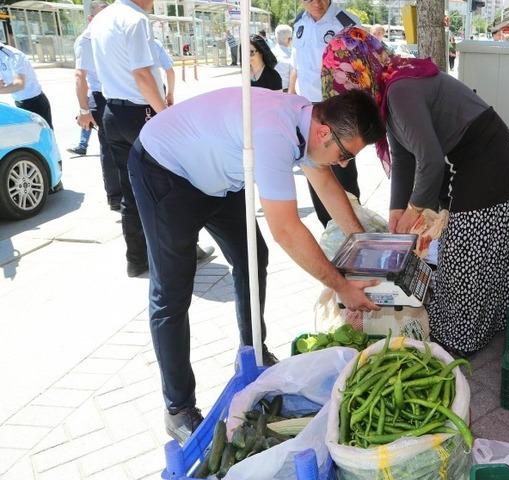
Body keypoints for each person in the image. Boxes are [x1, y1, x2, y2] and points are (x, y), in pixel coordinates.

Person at [128, 87, 384, 443]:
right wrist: (343, 287)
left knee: (252, 256)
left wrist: (365, 245)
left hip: (217, 177)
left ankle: (252, 350)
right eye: (344, 154)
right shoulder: (273, 133)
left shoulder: (305, 118)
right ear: (324, 132)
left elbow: (325, 184)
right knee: (172, 291)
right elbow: (287, 230)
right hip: (165, 168)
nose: (343, 164)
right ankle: (178, 408)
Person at [322, 28, 509, 356]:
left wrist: (415, 209)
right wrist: (397, 209)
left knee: (468, 245)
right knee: (475, 244)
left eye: (350, 91)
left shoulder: (400, 91)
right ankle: (479, 322)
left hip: (484, 153)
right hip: (472, 155)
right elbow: (403, 157)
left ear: (362, 72)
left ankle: (461, 337)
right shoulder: (388, 92)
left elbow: (429, 160)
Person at [89, 0, 166, 277]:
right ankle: (173, 253)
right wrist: (165, 114)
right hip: (140, 112)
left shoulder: (102, 18)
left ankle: (136, 258)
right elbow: (143, 75)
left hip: (113, 111)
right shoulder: (136, 19)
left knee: (130, 189)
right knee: (162, 188)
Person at [290, 0, 361, 227]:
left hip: (337, 108)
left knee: (343, 175)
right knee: (314, 170)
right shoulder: (299, 23)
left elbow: (361, 70)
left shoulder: (346, 23)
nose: (316, 3)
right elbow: (297, 66)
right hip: (308, 110)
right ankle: (327, 229)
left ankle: (351, 229)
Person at [71, 0, 122, 211]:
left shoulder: (112, 36)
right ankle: (115, 196)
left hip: (118, 95)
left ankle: (126, 193)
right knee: (109, 148)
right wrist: (84, 110)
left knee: (122, 147)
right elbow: (79, 77)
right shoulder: (85, 41)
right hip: (100, 98)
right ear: (91, 18)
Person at [0, 42, 53, 129]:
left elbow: (19, 84)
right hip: (19, 103)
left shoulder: (13, 55)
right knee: (29, 138)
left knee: (45, 138)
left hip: (35, 102)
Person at [151, 39, 176, 106]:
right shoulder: (155, 43)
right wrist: (170, 94)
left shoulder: (122, 42)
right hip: (157, 95)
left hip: (125, 102)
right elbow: (170, 71)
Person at [272, 24, 293, 91]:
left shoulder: (269, 53)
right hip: (286, 92)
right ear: (289, 39)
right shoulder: (291, 56)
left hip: (270, 91)